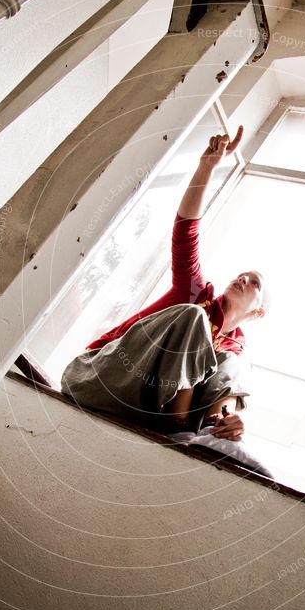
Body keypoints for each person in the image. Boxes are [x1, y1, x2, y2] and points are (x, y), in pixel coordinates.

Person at [61, 126, 269, 450]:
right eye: (242, 274)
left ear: (259, 311)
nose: (243, 279)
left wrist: (230, 419)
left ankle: (211, 430)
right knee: (192, 316)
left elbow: (225, 379)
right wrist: (207, 168)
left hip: (143, 409)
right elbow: (185, 231)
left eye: (254, 282)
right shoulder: (195, 293)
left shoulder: (232, 353)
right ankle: (179, 427)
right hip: (98, 379)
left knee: (235, 363)